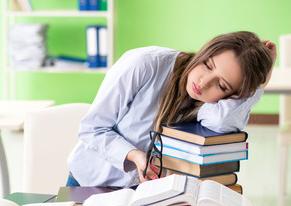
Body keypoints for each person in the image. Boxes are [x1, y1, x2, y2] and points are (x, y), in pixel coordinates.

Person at [66, 31, 277, 188]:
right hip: (88, 184)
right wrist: (136, 156)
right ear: (205, 51)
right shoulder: (145, 64)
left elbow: (221, 122)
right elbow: (91, 129)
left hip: (143, 194)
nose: (203, 83)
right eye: (207, 65)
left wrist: (259, 85)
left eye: (221, 86)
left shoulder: (208, 105)